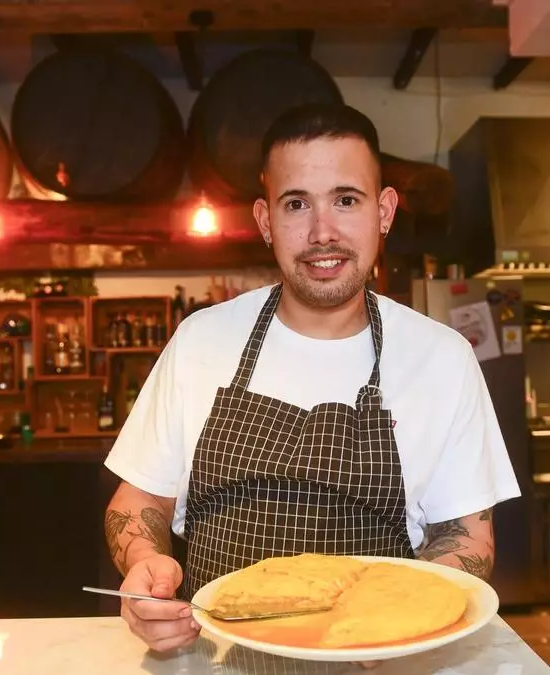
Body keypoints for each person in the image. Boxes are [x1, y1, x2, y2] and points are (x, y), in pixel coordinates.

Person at [102, 103, 521, 657]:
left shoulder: (442, 359)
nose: (323, 233)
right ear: (265, 221)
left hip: (379, 664)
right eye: (297, 204)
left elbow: (467, 535)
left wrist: (406, 628)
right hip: (216, 660)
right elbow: (138, 498)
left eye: (346, 200)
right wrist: (144, 565)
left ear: (384, 212)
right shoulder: (201, 341)